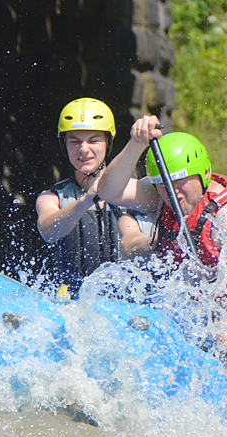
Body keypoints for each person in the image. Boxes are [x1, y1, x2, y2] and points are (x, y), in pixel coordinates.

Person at [94, 116, 227, 345]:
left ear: (203, 173)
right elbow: (107, 190)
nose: (174, 192)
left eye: (180, 181)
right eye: (163, 184)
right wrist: (135, 144)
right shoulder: (163, 195)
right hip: (204, 312)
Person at [34, 98, 154, 294]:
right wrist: (84, 201)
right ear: (64, 144)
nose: (83, 149)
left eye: (93, 140)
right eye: (74, 141)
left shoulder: (135, 193)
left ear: (108, 142)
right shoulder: (51, 196)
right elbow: (49, 231)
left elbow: (133, 240)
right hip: (72, 304)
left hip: (129, 307)